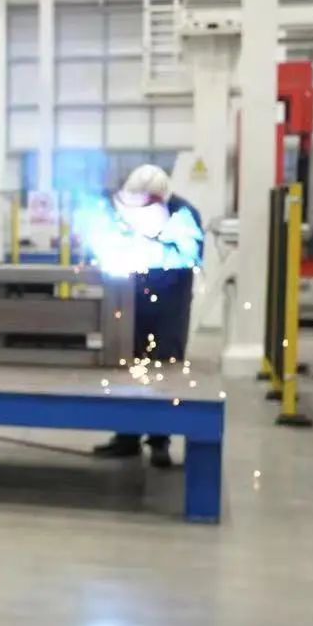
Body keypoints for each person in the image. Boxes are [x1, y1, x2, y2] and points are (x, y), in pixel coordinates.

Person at [93, 162, 203, 467]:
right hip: (131, 302)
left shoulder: (184, 215)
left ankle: (159, 442)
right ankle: (126, 437)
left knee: (162, 371)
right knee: (127, 368)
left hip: (169, 308)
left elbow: (187, 258)